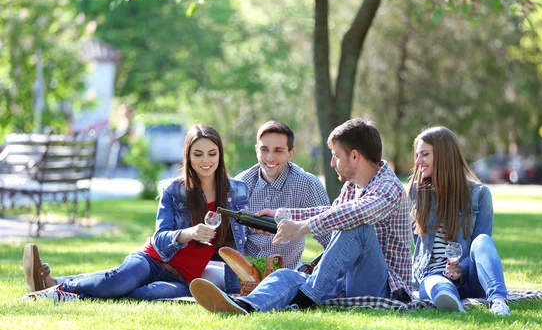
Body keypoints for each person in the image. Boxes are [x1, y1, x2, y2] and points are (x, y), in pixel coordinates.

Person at [189, 118, 413, 314]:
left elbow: (356, 213)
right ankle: (246, 306)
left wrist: (302, 228)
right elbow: (328, 211)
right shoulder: (352, 187)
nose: (332, 163)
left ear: (354, 156)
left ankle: (306, 298)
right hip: (348, 280)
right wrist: (282, 215)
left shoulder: (389, 187)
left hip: (384, 287)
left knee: (358, 226)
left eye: (336, 156)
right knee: (287, 275)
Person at [22, 124, 249, 301]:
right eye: (198, 154)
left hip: (183, 280)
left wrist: (233, 292)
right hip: (151, 260)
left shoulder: (236, 191)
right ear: (188, 157)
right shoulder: (174, 190)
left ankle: (59, 287)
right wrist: (188, 233)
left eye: (212, 153)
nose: (206, 160)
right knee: (119, 283)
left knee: (140, 296)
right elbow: (160, 240)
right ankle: (58, 287)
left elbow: (234, 247)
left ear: (220, 155)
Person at [408, 126, 511, 316]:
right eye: (417, 155)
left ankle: (498, 301)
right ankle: (448, 298)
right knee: (434, 283)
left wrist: (461, 268)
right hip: (433, 275)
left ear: (443, 156)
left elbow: (480, 250)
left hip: (471, 278)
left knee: (483, 241)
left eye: (424, 155)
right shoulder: (417, 193)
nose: (418, 161)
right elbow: (419, 248)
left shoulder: (479, 194)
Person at [235, 121, 331, 269]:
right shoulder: (241, 184)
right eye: (264, 149)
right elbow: (232, 237)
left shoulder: (307, 184)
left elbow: (330, 236)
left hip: (286, 274)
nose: (269, 158)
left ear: (290, 153)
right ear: (256, 150)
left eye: (278, 150)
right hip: (245, 272)